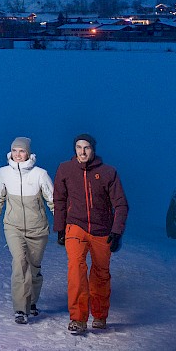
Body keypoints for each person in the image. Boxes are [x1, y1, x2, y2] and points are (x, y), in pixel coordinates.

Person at [52, 133, 129, 335]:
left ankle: (100, 315)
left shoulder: (107, 173)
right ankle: (77, 318)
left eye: (86, 147)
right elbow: (59, 200)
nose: (82, 151)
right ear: (74, 149)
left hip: (102, 230)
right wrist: (60, 228)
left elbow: (120, 204)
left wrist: (116, 232)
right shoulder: (65, 170)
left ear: (93, 149)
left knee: (100, 273)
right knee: (76, 271)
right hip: (75, 227)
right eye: (78, 147)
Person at [0, 136, 55, 323]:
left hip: (38, 229)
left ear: (28, 153)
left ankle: (32, 302)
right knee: (20, 263)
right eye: (15, 150)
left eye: (22, 151)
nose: (18, 155)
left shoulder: (40, 174)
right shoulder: (3, 173)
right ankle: (20, 309)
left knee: (33, 267)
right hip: (13, 226)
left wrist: (62, 223)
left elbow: (53, 200)